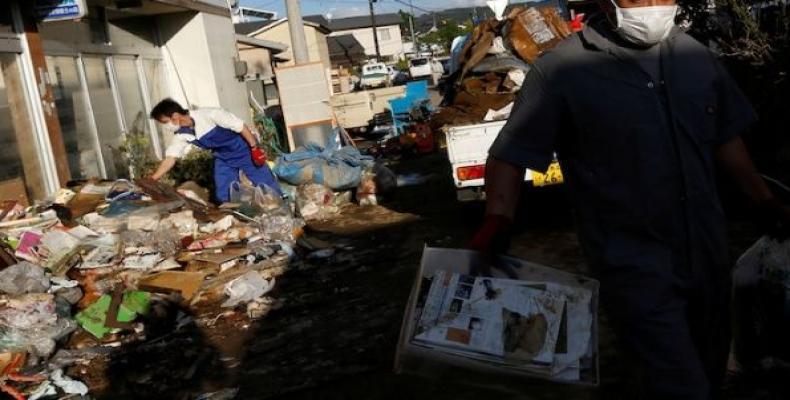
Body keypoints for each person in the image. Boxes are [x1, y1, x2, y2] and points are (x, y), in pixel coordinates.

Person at [471, 1, 790, 398]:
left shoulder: (697, 58)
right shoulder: (561, 70)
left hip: (707, 255)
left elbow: (725, 137)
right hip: (633, 264)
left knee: (709, 371)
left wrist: (762, 201)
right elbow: (510, 154)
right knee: (679, 385)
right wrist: (497, 218)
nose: (653, 6)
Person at [148, 99, 281, 203]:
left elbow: (241, 127)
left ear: (175, 116)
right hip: (223, 157)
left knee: (266, 184)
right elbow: (171, 158)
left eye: (165, 122)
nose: (166, 127)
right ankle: (236, 217)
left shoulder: (210, 115)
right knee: (224, 192)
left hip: (243, 150)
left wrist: (254, 148)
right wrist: (153, 179)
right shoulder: (181, 135)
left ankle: (281, 207)